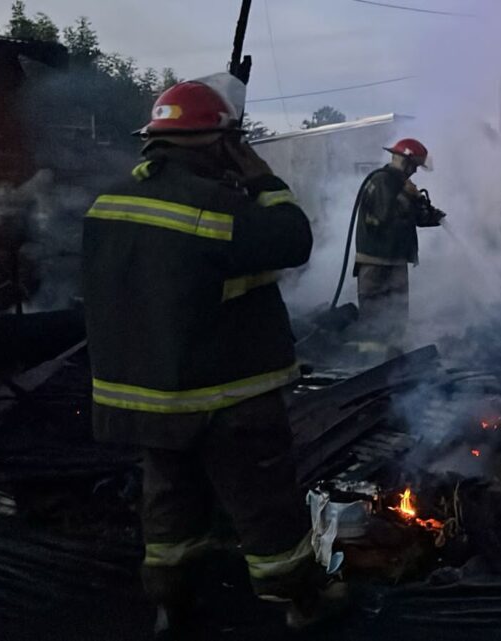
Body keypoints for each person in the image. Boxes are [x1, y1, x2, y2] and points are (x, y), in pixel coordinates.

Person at [81, 74, 341, 636]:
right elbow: (293, 238)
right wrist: (263, 177)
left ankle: (170, 605)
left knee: (170, 505)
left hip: (149, 399)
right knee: (265, 505)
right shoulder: (215, 210)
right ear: (224, 144)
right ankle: (300, 603)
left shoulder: (108, 205)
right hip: (228, 396)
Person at [353, 138, 445, 347]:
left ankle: (394, 360)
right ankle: (371, 362)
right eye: (414, 167)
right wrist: (409, 199)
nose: (414, 172)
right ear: (406, 162)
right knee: (374, 322)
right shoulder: (382, 181)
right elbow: (382, 219)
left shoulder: (397, 184)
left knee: (396, 321)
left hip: (395, 260)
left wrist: (431, 213)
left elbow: (412, 218)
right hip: (376, 262)